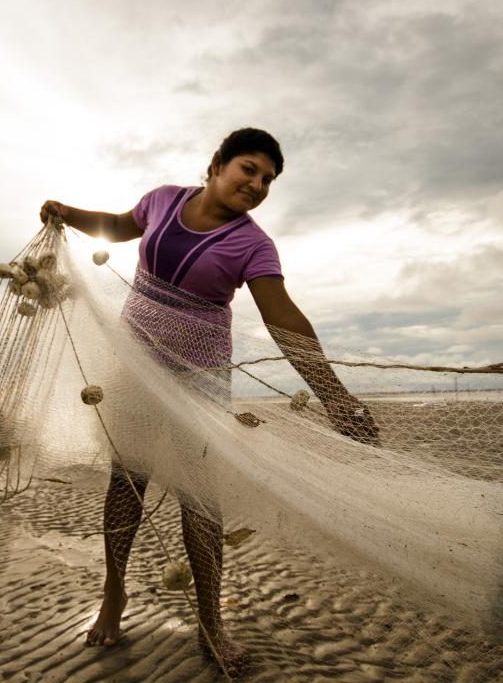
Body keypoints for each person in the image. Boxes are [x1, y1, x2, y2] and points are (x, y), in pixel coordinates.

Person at [40, 127, 377, 673]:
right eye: (250, 169)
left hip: (200, 376)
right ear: (217, 164)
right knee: (126, 481)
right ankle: (113, 593)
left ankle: (211, 621)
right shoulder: (162, 200)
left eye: (268, 179)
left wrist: (334, 398)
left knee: (199, 500)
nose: (258, 184)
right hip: (136, 365)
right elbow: (121, 227)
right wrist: (68, 212)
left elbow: (283, 319)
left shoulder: (254, 245)